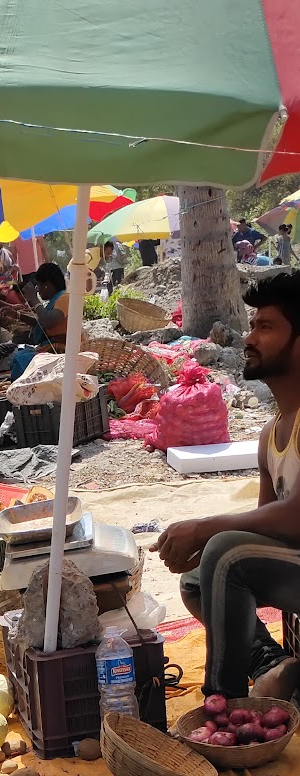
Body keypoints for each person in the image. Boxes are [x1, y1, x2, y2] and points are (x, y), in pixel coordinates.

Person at [155, 272, 300, 700]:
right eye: (252, 325)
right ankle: (273, 666)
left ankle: (223, 704)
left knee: (226, 553)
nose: (249, 338)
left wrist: (207, 530)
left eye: (266, 326)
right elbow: (267, 523)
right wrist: (201, 545)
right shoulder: (271, 433)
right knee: (199, 578)